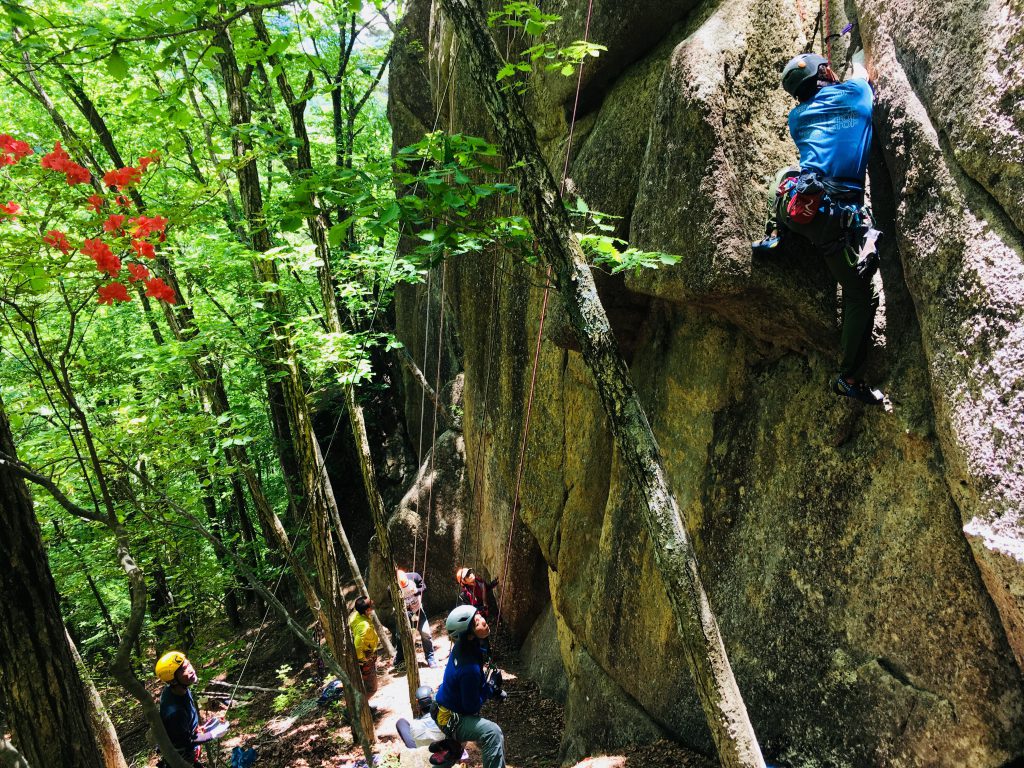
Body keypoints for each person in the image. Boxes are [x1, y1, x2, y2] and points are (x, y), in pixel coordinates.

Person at [776, 49, 884, 405]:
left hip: (802, 211)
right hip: (837, 219)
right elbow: (861, 70)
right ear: (824, 73)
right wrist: (856, 52)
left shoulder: (797, 118)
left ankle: (777, 232)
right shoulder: (853, 94)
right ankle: (848, 377)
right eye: (828, 68)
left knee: (786, 174)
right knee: (860, 295)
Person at [430, 605, 506, 768]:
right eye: (476, 622)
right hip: (451, 717)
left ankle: (450, 747)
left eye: (479, 616)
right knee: (492, 733)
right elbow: (471, 706)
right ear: (467, 634)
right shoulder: (468, 667)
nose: (483, 622)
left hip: (447, 709)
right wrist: (490, 688)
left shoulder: (466, 647)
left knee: (455, 749)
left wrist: (491, 690)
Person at [155, 651, 226, 767]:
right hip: (181, 759)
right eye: (183, 669)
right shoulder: (175, 711)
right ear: (173, 680)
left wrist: (203, 728)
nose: (190, 670)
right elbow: (185, 741)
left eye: (188, 664)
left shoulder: (179, 690)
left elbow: (185, 726)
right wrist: (212, 734)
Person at [393, 569, 438, 671]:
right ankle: (400, 659)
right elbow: (392, 601)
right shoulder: (391, 587)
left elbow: (424, 587)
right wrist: (404, 610)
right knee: (400, 636)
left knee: (425, 632)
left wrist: (417, 591)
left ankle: (430, 657)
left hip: (418, 610)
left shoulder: (415, 576)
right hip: (404, 613)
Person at [349, 596, 380, 695]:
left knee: (368, 684)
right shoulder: (364, 626)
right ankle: (366, 709)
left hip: (368, 655)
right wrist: (363, 660)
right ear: (367, 610)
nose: (373, 602)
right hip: (366, 660)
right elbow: (357, 645)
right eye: (370, 604)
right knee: (372, 687)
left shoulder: (355, 615)